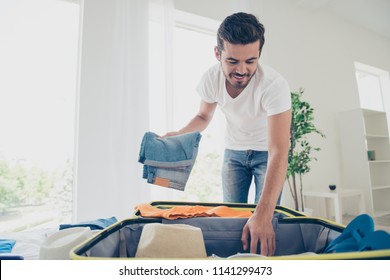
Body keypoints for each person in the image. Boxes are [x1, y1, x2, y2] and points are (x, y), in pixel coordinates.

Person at [163, 12, 291, 256]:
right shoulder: (211, 78)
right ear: (217, 54)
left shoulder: (274, 86)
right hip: (233, 153)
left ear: (259, 56)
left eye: (250, 61)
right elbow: (203, 116)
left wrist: (262, 215)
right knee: (232, 218)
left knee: (265, 219)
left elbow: (279, 150)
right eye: (233, 61)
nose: (242, 70)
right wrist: (178, 134)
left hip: (268, 154)